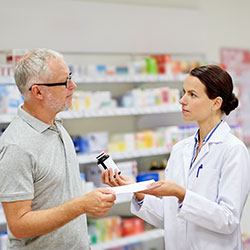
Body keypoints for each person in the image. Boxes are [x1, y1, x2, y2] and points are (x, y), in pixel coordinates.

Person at [102, 65, 250, 250]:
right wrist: (137, 191)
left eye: (192, 95)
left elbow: (228, 220)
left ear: (216, 103)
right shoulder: (181, 149)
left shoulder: (233, 150)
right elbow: (171, 217)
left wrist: (181, 194)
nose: (182, 100)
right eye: (184, 93)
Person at [0, 49, 116, 250]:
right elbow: (19, 225)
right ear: (37, 92)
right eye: (64, 82)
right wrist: (81, 205)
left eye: (70, 77)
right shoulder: (16, 146)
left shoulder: (57, 127)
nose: (73, 86)